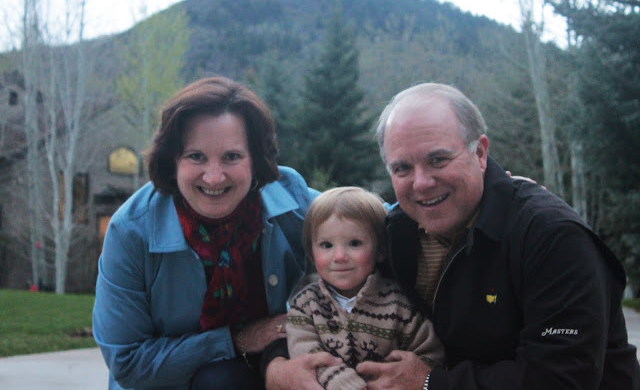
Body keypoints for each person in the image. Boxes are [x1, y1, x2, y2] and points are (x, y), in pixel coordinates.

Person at [353, 82, 640, 389]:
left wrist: (429, 383)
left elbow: (560, 377)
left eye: (438, 160)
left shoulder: (551, 237)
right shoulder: (394, 235)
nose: (421, 183)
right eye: (402, 168)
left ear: (480, 153)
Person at [92, 76, 336, 389]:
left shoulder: (293, 200)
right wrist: (237, 340)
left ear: (255, 159)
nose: (214, 177)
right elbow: (128, 362)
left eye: (232, 156)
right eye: (196, 156)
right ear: (173, 160)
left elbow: (370, 219)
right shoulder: (130, 232)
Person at [286, 187, 445, 390]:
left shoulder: (399, 304)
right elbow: (304, 351)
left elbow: (430, 354)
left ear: (380, 250)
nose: (339, 256)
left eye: (354, 243)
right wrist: (340, 381)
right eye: (326, 245)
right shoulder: (305, 305)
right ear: (311, 252)